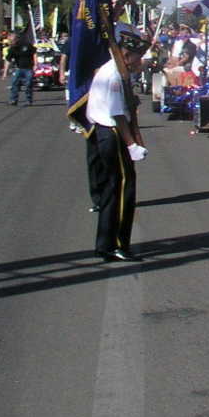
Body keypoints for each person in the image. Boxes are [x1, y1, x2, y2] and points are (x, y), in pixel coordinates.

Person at [84, 23, 149, 263]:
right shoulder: (113, 75)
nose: (138, 63)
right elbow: (117, 114)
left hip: (106, 132)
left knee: (113, 190)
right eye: (137, 58)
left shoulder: (115, 69)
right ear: (127, 54)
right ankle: (118, 244)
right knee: (123, 190)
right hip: (112, 134)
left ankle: (105, 244)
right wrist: (131, 144)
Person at [7, 30, 36, 106]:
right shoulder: (12, 48)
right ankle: (13, 99)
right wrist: (5, 72)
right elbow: (8, 59)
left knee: (28, 84)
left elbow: (34, 53)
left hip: (29, 68)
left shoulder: (26, 44)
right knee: (14, 83)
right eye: (10, 40)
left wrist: (36, 64)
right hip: (18, 68)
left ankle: (29, 100)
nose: (11, 41)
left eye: (12, 40)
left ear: (16, 38)